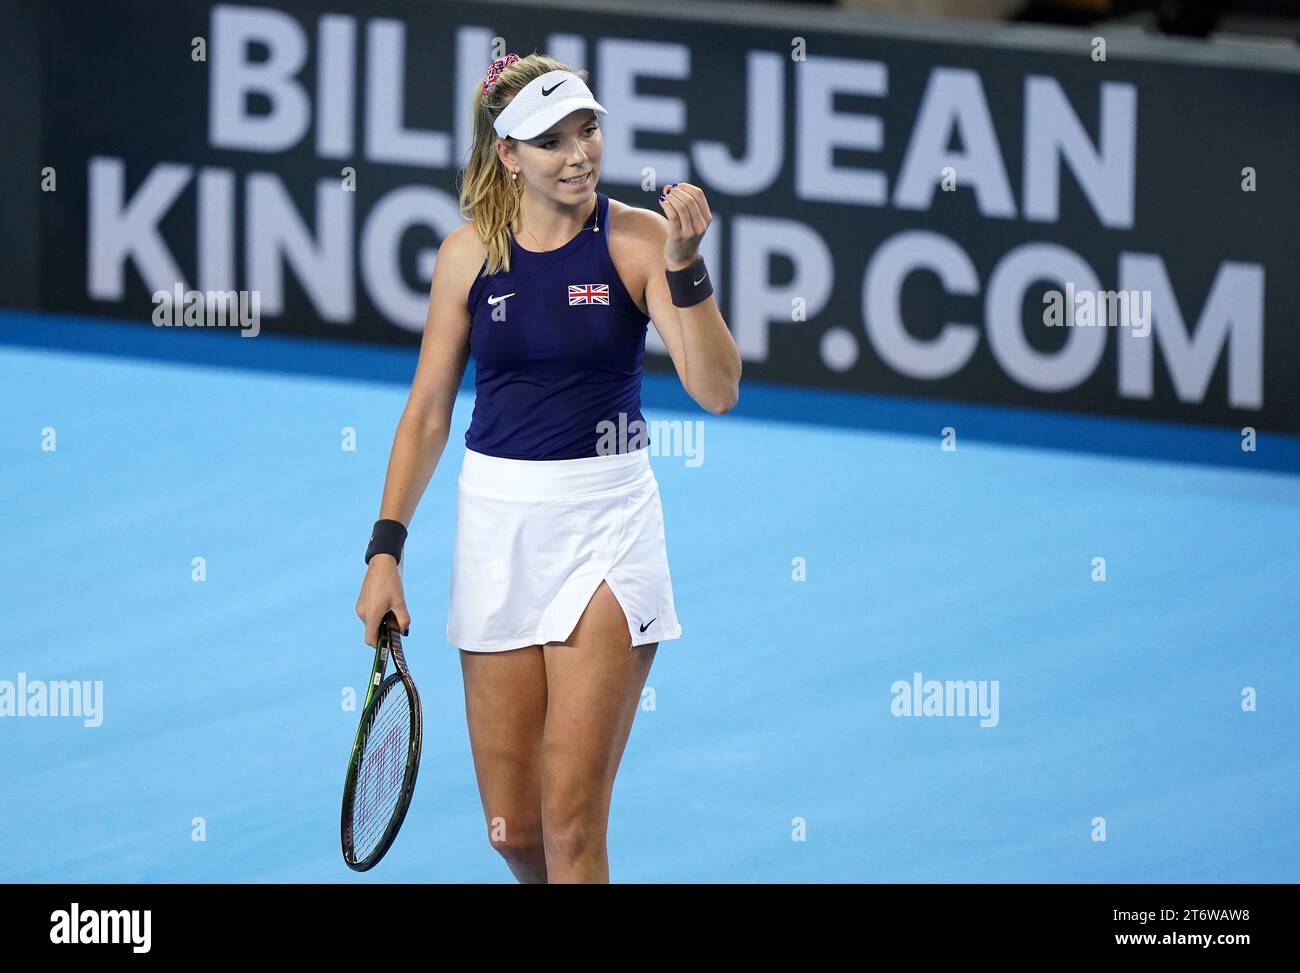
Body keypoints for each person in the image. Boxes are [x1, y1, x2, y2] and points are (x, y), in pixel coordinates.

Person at [355, 52, 741, 883]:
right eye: (552, 139)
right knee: (515, 834)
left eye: (589, 130)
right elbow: (427, 413)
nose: (579, 155)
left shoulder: (638, 241)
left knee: (569, 827)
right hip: (496, 530)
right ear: (508, 154)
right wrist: (385, 550)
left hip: (608, 529)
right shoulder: (466, 257)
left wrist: (686, 268)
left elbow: (717, 390)